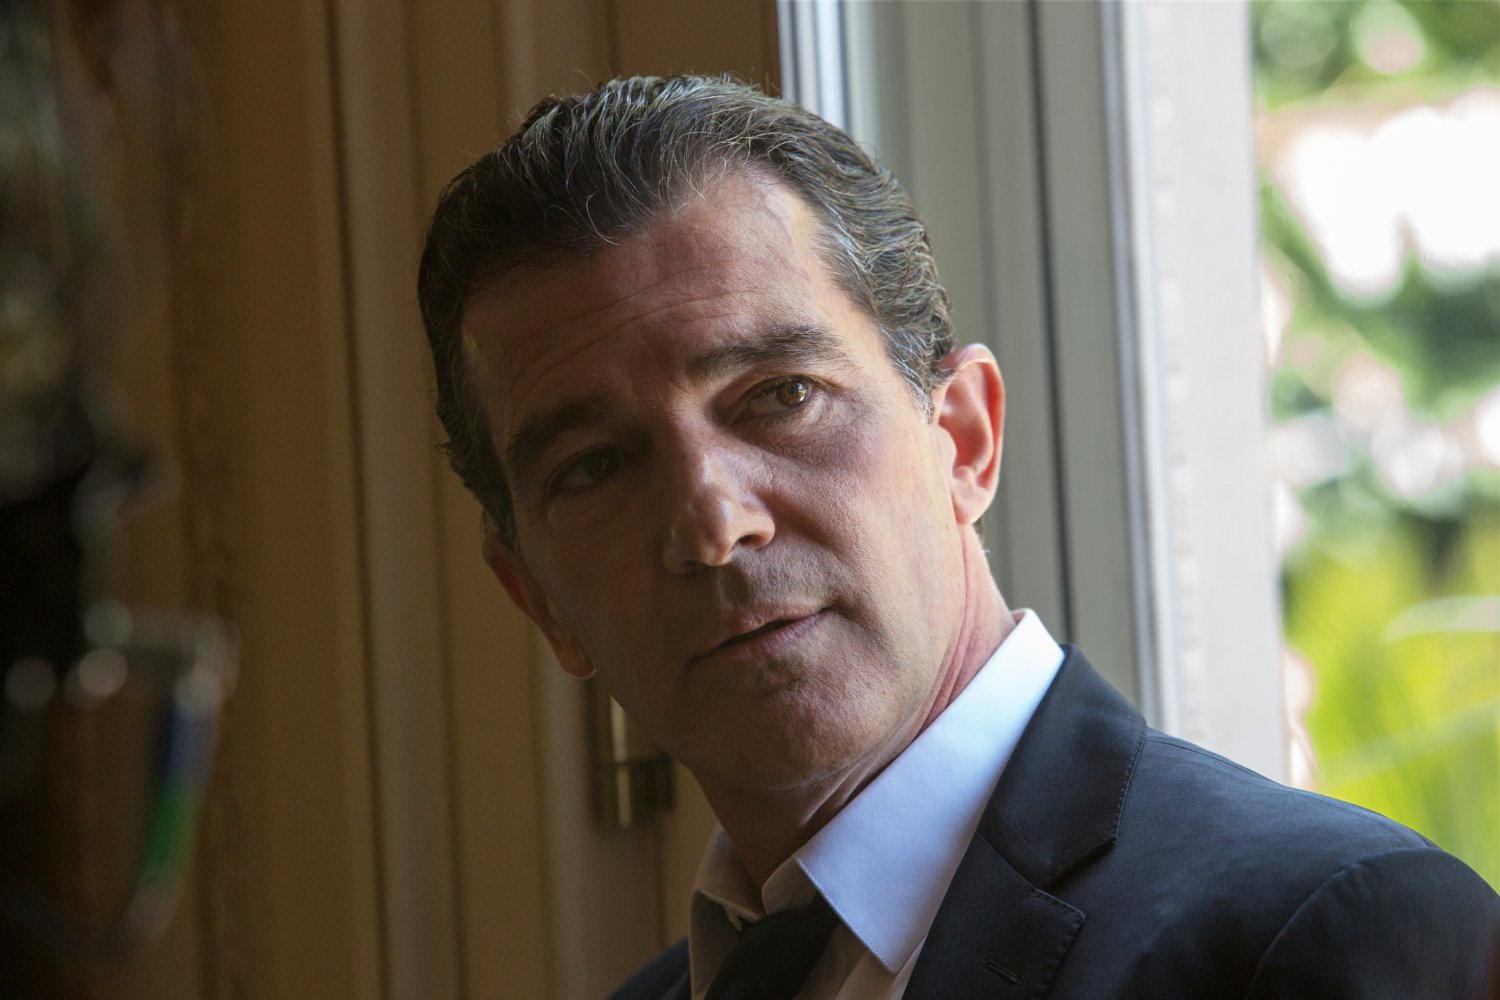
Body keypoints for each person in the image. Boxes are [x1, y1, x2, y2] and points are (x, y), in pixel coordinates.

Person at [417, 75, 1499, 1000]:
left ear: (965, 440)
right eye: (593, 467)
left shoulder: (1322, 932)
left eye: (781, 394)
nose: (712, 524)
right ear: (539, 601)